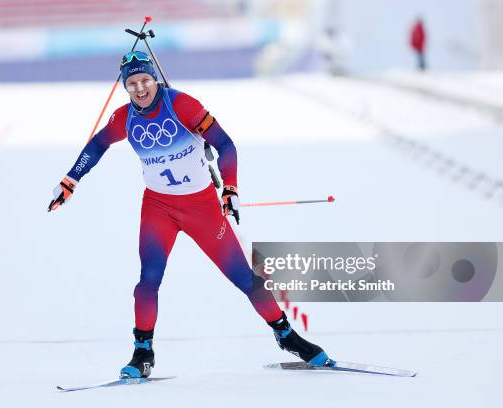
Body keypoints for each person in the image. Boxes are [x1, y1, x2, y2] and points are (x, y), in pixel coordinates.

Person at [48, 51, 334, 378]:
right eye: (132, 84)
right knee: (147, 282)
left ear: (154, 79)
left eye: (145, 81)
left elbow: (225, 145)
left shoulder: (182, 105)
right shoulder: (124, 117)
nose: (140, 89)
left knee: (246, 280)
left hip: (202, 208)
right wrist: (71, 180)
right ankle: (143, 353)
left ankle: (287, 336)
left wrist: (230, 189)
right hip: (158, 208)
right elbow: (97, 145)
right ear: (125, 88)